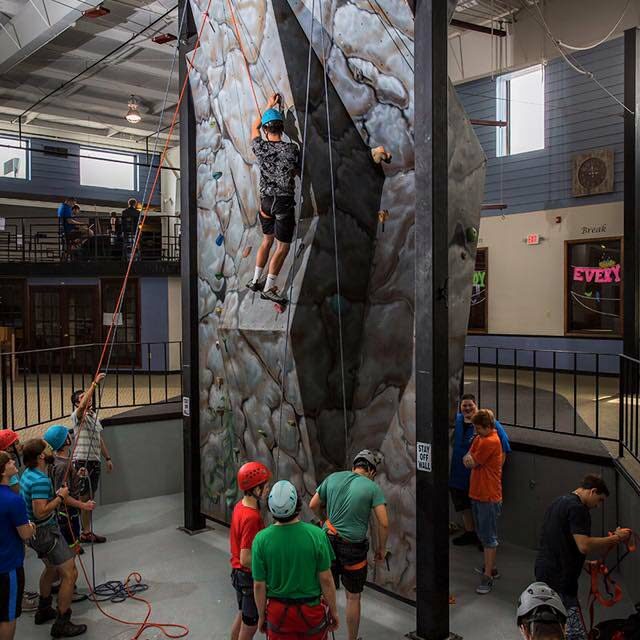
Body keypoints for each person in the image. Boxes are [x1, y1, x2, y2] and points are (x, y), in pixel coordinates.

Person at [535, 475, 631, 640]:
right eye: (599, 500)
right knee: (574, 632)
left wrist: (583, 563)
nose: (597, 506)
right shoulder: (579, 509)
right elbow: (584, 545)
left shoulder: (558, 502)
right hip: (562, 579)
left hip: (544, 572)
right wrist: (617, 538)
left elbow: (558, 542)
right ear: (592, 491)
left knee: (551, 622)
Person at [309, 450, 387, 640]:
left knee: (322, 589)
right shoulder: (371, 487)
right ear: (370, 470)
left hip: (327, 539)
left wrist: (323, 520)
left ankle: (319, 635)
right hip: (353, 548)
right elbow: (383, 523)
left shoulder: (334, 477)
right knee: (353, 596)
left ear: (354, 467)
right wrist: (381, 549)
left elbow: (313, 504)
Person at [252, 480, 339, 640]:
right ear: (298, 504)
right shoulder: (317, 535)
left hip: (278, 615)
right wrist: (334, 612)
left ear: (271, 508)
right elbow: (326, 579)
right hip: (311, 612)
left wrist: (262, 616)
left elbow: (259, 585)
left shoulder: (261, 540)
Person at [20, 439, 87, 637]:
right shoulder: (40, 480)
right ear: (41, 456)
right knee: (69, 573)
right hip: (46, 532)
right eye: (47, 448)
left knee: (50, 568)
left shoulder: (28, 475)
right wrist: (60, 497)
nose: (51, 449)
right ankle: (62, 622)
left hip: (35, 534)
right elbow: (40, 512)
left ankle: (44, 608)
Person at [246, 93, 300, 305]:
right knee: (283, 247)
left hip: (266, 202)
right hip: (283, 201)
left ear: (266, 130)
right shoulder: (291, 149)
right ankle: (269, 287)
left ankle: (255, 280)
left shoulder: (260, 147)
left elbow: (254, 128)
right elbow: (296, 169)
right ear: (282, 128)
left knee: (267, 239)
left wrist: (268, 105)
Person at [450, 394, 511, 548]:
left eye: (470, 405)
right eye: (464, 405)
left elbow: (503, 449)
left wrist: (496, 471)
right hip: (458, 474)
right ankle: (470, 533)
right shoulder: (456, 421)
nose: (468, 408)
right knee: (463, 506)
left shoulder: (489, 424)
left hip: (480, 478)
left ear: (476, 405)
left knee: (481, 510)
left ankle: (484, 538)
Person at [462, 409, 503, 595]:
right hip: (478, 493)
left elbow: (470, 462)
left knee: (488, 538)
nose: (476, 432)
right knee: (484, 535)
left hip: (488, 496)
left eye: (479, 428)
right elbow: (467, 457)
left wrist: (470, 459)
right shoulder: (480, 438)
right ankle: (490, 567)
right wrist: (470, 458)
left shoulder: (491, 441)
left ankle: (488, 576)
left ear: (488, 427)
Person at [230, 462, 271, 640]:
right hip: (247, 577)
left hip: (238, 574)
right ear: (255, 489)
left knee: (242, 616)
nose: (269, 489)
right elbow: (246, 558)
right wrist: (267, 572)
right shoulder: (252, 518)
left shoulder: (241, 506)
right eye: (266, 485)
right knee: (250, 626)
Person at [70, 372, 111, 544]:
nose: (87, 399)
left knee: (90, 498)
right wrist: (94, 384)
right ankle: (83, 532)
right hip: (82, 461)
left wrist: (107, 457)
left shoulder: (93, 417)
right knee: (83, 498)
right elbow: (81, 409)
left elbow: (99, 439)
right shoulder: (77, 416)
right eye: (82, 397)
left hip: (94, 461)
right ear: (77, 403)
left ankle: (86, 531)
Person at [0, 451, 36, 640]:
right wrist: (31, 526)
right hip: (7, 567)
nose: (14, 461)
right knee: (7, 616)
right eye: (9, 461)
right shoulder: (14, 501)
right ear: (3, 470)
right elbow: (25, 534)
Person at [43, 425, 95, 554]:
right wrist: (83, 505)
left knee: (73, 549)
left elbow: (64, 486)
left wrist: (77, 475)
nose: (70, 435)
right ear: (66, 441)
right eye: (68, 434)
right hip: (66, 516)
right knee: (71, 555)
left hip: (67, 515)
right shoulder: (62, 466)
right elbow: (62, 496)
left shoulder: (59, 460)